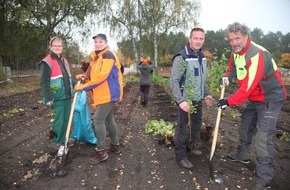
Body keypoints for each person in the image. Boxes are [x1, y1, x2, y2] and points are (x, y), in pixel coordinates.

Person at [217, 22, 287, 190]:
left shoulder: (258, 55)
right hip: (255, 97)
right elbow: (231, 68)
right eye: (231, 39)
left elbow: (247, 88)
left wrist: (227, 101)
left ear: (247, 36)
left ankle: (265, 178)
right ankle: (243, 155)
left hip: (270, 98)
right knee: (245, 127)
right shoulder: (235, 53)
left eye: (238, 38)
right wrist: (226, 76)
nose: (234, 42)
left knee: (263, 138)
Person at [74, 33, 123, 164]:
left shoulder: (108, 56)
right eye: (96, 42)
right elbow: (90, 73)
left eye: (101, 41)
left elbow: (102, 76)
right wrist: (83, 76)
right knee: (109, 119)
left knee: (98, 119)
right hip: (102, 94)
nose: (98, 44)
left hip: (108, 94)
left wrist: (83, 87)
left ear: (106, 43)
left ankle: (101, 151)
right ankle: (115, 145)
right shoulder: (96, 58)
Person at [170, 28, 213, 169]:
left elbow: (201, 79)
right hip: (185, 100)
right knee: (182, 128)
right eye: (196, 38)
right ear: (190, 39)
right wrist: (181, 101)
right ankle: (180, 156)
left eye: (201, 39)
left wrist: (206, 93)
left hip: (197, 99)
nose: (198, 41)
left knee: (195, 126)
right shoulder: (182, 57)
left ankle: (190, 146)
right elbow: (174, 81)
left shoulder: (202, 56)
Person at [39, 36, 75, 151]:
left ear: (62, 47)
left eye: (59, 46)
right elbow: (44, 82)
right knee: (58, 120)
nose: (57, 48)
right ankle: (55, 141)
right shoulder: (47, 62)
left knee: (66, 119)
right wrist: (48, 98)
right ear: (50, 47)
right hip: (57, 97)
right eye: (55, 46)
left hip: (67, 95)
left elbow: (68, 77)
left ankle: (65, 138)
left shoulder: (64, 60)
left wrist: (77, 84)